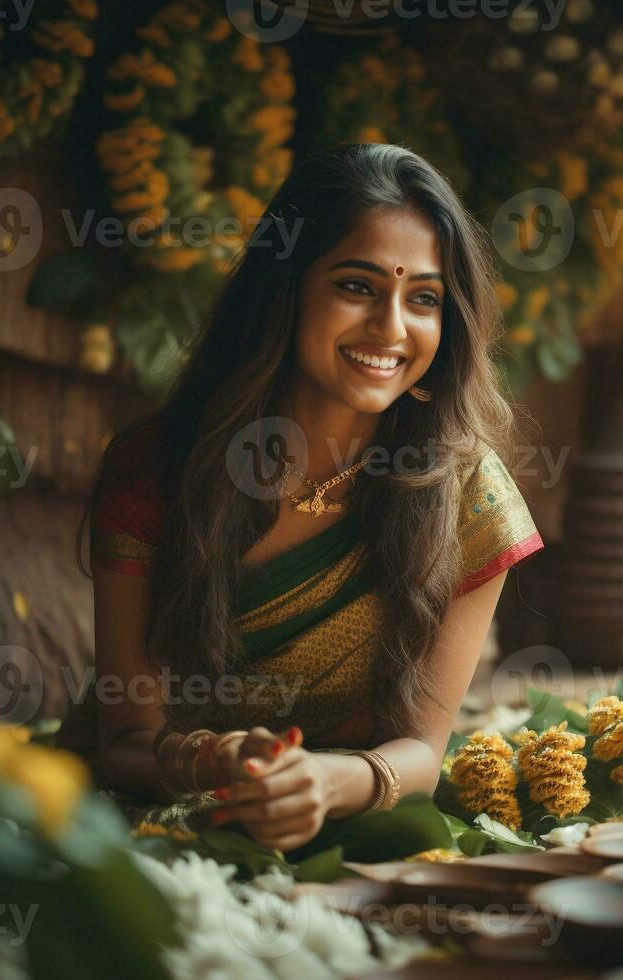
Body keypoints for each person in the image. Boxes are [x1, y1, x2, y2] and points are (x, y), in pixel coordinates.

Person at [70, 142, 545, 853]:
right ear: (286, 291)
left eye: (423, 298)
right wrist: (215, 761)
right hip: (149, 815)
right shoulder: (159, 470)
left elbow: (421, 749)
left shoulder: (468, 498)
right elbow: (126, 739)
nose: (390, 328)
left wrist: (323, 784)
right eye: (357, 286)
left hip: (351, 820)